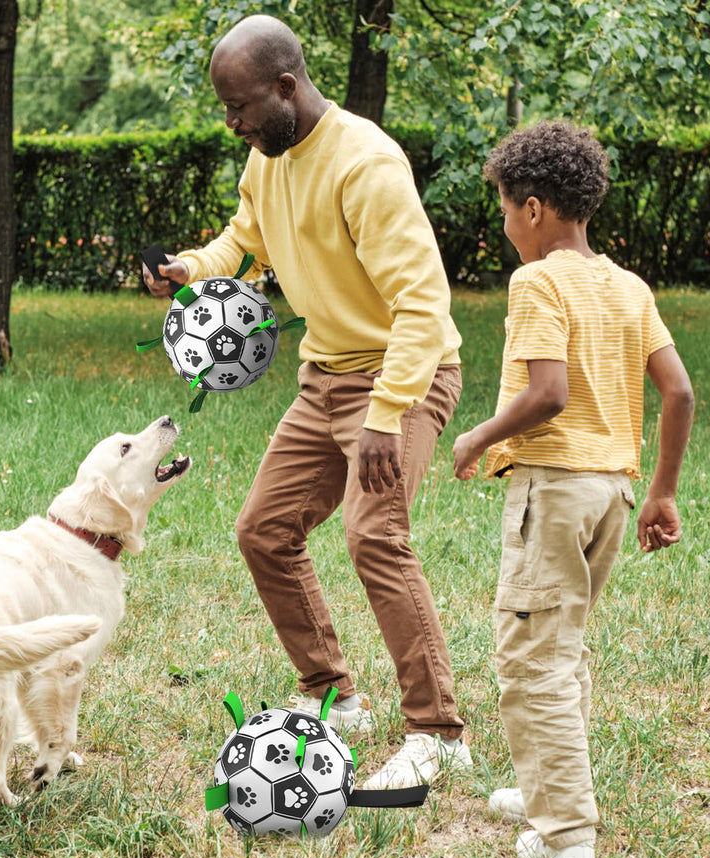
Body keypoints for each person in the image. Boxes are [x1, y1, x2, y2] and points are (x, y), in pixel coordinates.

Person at [144, 15, 470, 789]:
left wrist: (388, 414)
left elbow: (424, 306)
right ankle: (332, 692)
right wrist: (190, 268)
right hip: (325, 378)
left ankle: (439, 732)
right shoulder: (271, 155)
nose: (233, 126)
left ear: (286, 87)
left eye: (241, 108)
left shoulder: (365, 164)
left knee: (374, 535)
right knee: (263, 530)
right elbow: (244, 240)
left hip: (403, 376)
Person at [452, 120, 694, 858]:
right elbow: (680, 391)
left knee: (532, 659)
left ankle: (565, 838)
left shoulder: (539, 281)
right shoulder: (628, 286)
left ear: (532, 208)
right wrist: (662, 493)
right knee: (564, 644)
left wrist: (478, 436)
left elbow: (547, 395)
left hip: (553, 490)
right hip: (614, 494)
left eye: (501, 208)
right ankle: (545, 787)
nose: (503, 224)